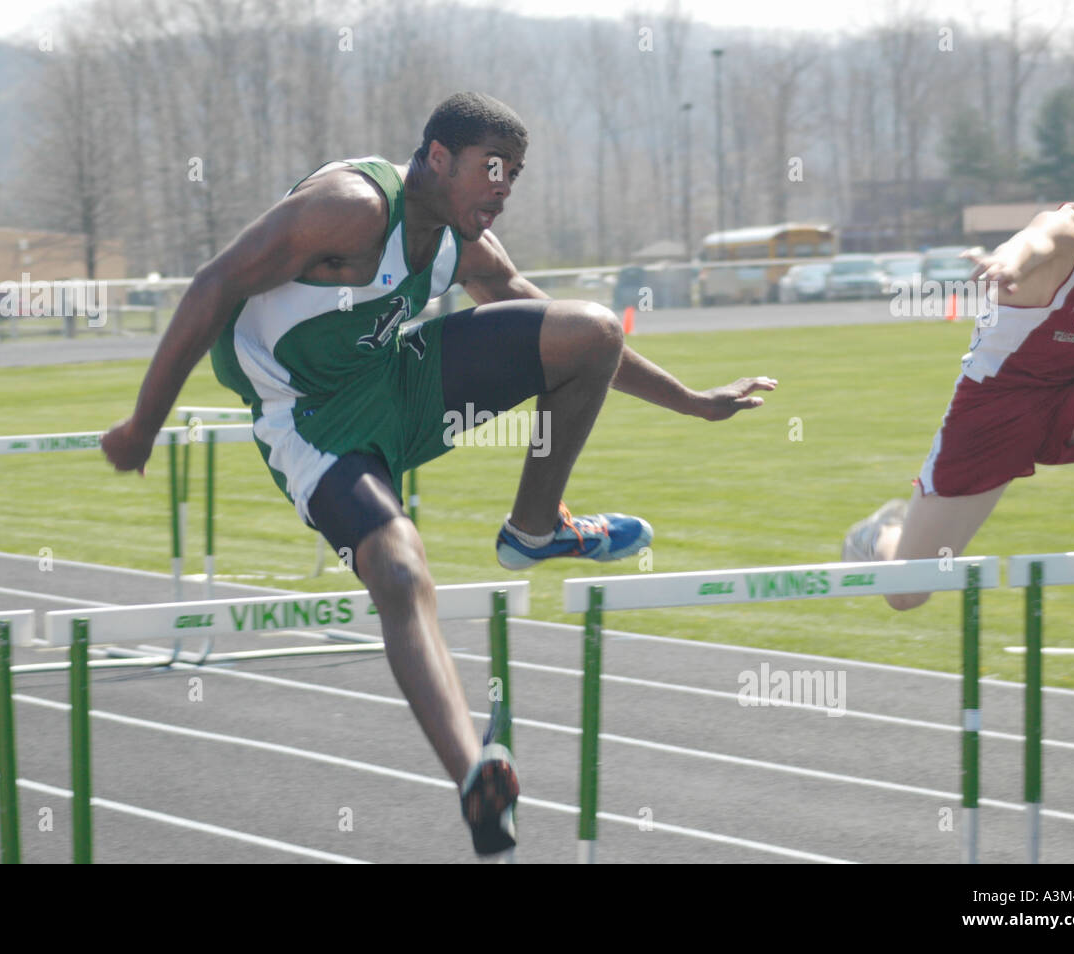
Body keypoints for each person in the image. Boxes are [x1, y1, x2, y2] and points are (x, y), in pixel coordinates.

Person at [102, 92, 776, 854]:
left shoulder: (461, 242)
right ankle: (476, 776)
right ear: (436, 157)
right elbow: (214, 285)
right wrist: (141, 426)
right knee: (397, 567)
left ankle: (535, 528)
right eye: (491, 168)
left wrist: (691, 402)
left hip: (403, 383)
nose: (502, 188)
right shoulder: (350, 209)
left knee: (589, 329)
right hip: (314, 417)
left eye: (515, 175)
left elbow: (572, 334)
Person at [845, 132, 1074, 610]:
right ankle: (878, 534)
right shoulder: (1068, 232)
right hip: (996, 409)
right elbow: (1033, 240)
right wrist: (1004, 263)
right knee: (907, 591)